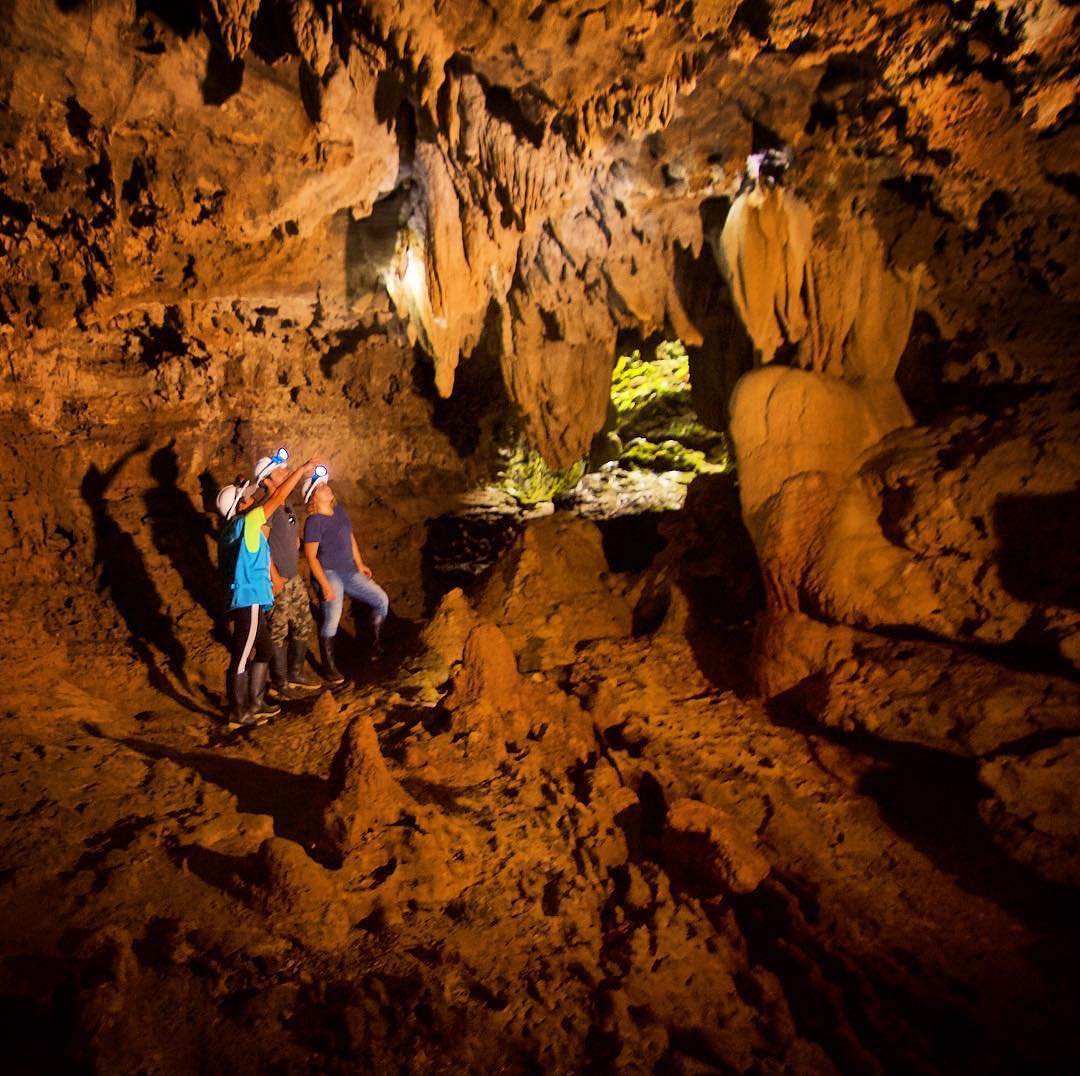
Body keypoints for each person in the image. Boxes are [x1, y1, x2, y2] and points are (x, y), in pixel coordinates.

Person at [216, 455, 319, 727]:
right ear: (240, 506)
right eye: (247, 499)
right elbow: (279, 495)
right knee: (241, 657)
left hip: (250, 599)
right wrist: (301, 471)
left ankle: (256, 702)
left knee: (263, 650)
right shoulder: (247, 523)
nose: (253, 500)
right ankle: (239, 712)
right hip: (247, 599)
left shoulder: (232, 529)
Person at [302, 469, 389, 683]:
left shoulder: (339, 510)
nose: (326, 487)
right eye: (321, 487)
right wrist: (324, 585)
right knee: (332, 618)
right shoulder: (314, 522)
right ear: (314, 496)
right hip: (329, 572)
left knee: (381, 600)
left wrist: (359, 563)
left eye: (325, 484)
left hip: (349, 570)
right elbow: (311, 557)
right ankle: (329, 667)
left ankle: (373, 646)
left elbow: (350, 537)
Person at [254, 448, 322, 700]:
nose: (285, 473)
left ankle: (295, 674)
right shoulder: (266, 508)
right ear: (268, 480)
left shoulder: (286, 505)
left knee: (303, 623)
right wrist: (273, 577)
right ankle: (279, 682)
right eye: (280, 471)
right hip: (278, 579)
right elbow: (259, 545)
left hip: (292, 577)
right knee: (278, 630)